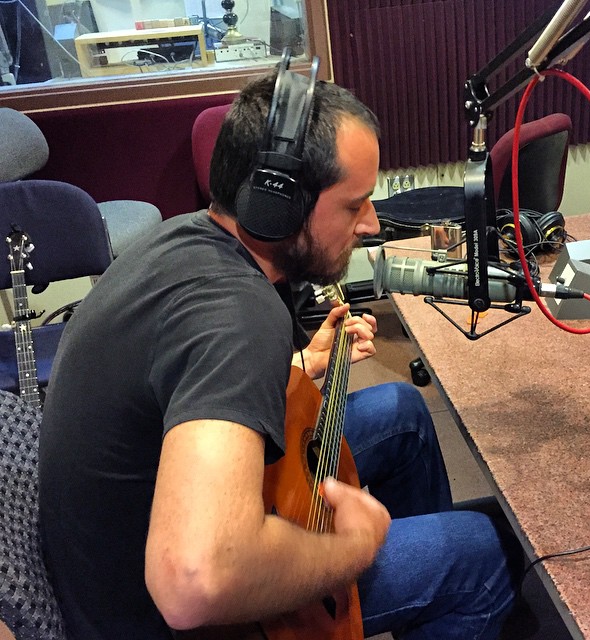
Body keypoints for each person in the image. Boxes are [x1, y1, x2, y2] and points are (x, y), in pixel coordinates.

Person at [38, 63, 520, 640]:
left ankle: (394, 607)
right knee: (478, 553)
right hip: (150, 617)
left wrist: (298, 367)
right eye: (353, 204)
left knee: (402, 415)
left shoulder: (187, 238)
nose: (370, 224)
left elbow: (187, 384)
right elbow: (193, 582)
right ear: (278, 206)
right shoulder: (237, 312)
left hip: (130, 537)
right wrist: (357, 548)